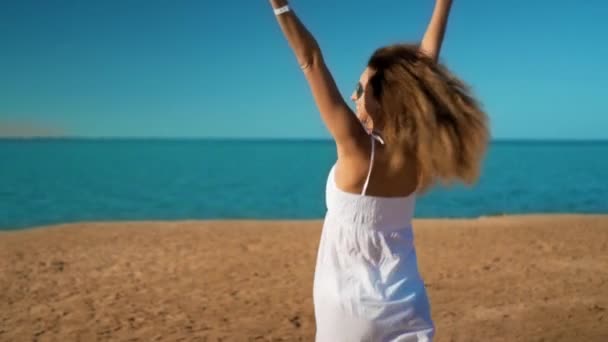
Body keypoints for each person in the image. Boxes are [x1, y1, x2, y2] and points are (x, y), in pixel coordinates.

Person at [268, 0, 489, 340]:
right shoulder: (418, 152)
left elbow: (310, 60)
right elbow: (425, 69)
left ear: (383, 98)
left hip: (349, 310)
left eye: (360, 89)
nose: (354, 97)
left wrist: (280, 5)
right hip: (406, 303)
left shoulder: (356, 147)